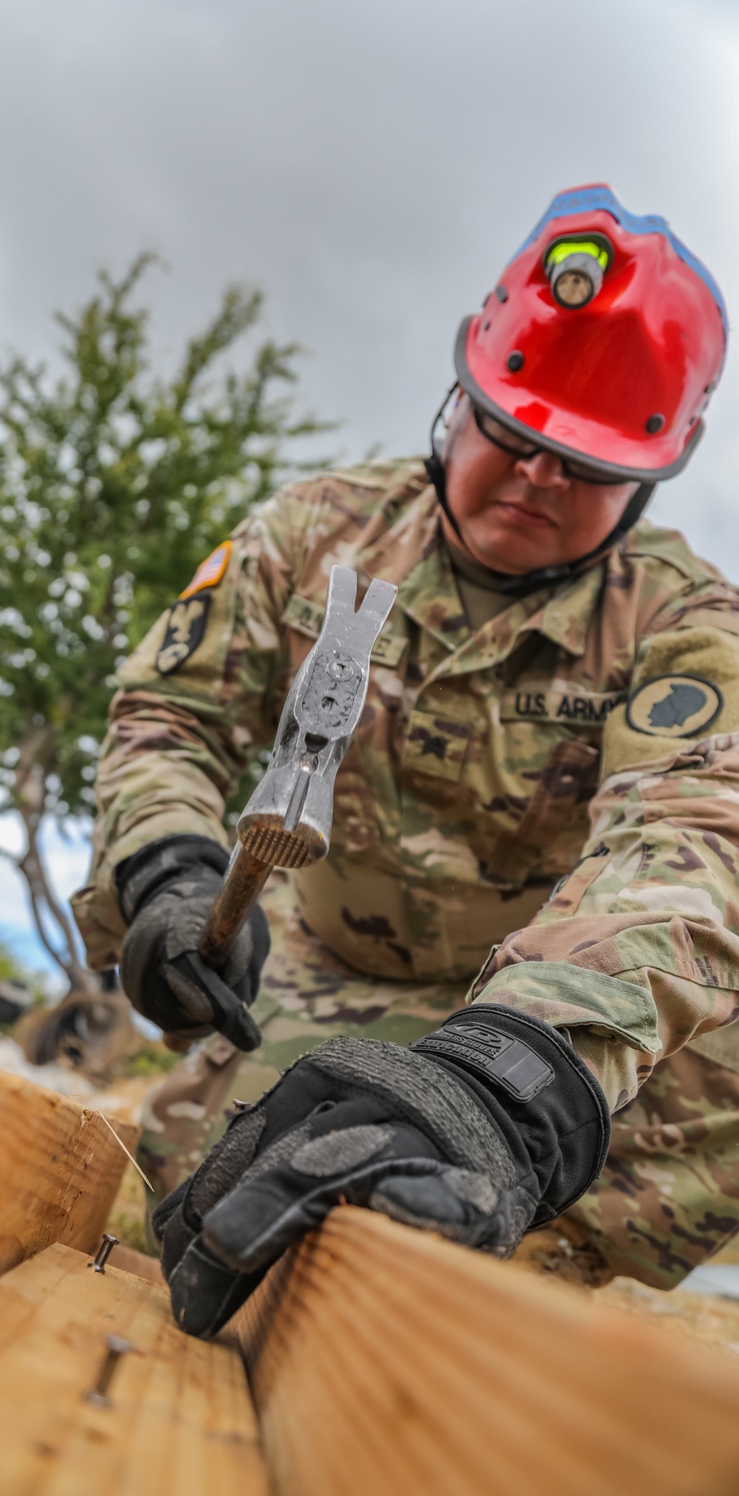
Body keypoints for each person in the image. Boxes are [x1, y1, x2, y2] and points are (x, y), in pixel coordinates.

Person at [73, 184, 739, 1336]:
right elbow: (170, 712)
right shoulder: (318, 533)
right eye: (512, 434)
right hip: (320, 970)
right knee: (193, 1220)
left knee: (409, 1287)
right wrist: (169, 874)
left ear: (646, 481)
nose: (535, 479)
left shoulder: (685, 626)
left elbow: (694, 840)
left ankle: (507, 1288)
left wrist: (512, 1083)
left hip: (538, 1016)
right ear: (460, 396)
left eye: (580, 467)